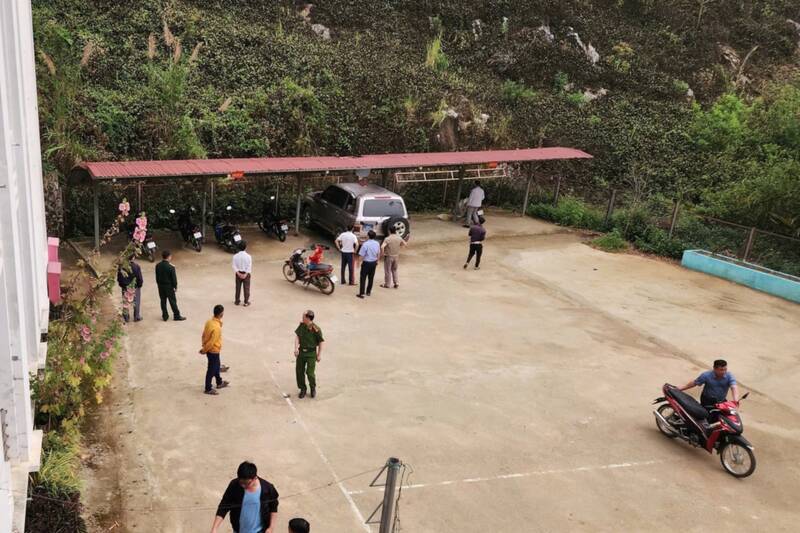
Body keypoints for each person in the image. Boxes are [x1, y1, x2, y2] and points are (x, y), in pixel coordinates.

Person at [211, 461, 279, 533]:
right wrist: (214, 528)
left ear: (255, 478)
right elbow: (224, 506)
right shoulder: (234, 485)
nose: (243, 486)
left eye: (247, 483)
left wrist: (271, 527)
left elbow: (273, 508)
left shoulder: (267, 488)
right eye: (241, 482)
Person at [200, 304, 230, 395]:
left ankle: (219, 382)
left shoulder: (209, 322)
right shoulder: (217, 328)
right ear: (221, 314)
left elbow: (204, 335)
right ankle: (208, 388)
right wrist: (204, 349)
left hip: (210, 350)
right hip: (213, 350)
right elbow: (212, 342)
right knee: (211, 369)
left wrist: (204, 345)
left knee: (217, 366)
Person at [294, 310, 324, 399]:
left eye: (303, 317)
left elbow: (321, 342)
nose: (302, 318)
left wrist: (319, 355)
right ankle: (303, 389)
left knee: (310, 373)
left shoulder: (316, 329)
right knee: (299, 371)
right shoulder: (302, 326)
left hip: (311, 354)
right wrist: (296, 349)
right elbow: (297, 337)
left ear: (307, 318)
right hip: (301, 352)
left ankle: (313, 388)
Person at [155, 250, 186, 321]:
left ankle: (165, 316)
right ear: (168, 257)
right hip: (168, 286)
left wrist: (159, 284)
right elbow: (174, 279)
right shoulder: (171, 267)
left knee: (163, 301)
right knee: (172, 301)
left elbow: (157, 277)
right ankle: (176, 315)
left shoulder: (158, 265)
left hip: (160, 286)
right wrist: (175, 286)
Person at [117, 254, 143, 322]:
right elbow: (139, 278)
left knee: (125, 302)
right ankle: (136, 316)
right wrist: (139, 285)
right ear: (133, 257)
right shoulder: (136, 266)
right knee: (136, 301)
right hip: (135, 286)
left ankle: (126, 317)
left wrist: (122, 285)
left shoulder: (122, 267)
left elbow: (119, 278)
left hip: (125, 286)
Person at [356, 230, 380, 298]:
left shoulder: (365, 244)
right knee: (371, 278)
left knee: (363, 278)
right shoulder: (377, 243)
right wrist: (377, 261)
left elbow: (361, 255)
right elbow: (378, 253)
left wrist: (358, 262)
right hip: (373, 263)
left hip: (366, 263)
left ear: (368, 236)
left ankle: (361, 293)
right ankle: (368, 292)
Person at [233, 241, 252, 307]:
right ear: (245, 247)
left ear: (238, 247)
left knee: (238, 288)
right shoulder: (249, 256)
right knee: (246, 288)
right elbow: (249, 266)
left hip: (238, 274)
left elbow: (234, 266)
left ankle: (237, 301)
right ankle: (246, 302)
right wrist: (245, 274)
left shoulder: (235, 256)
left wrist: (238, 273)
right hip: (246, 274)